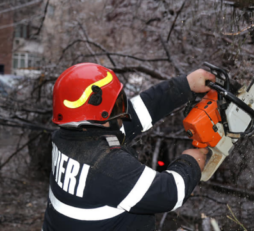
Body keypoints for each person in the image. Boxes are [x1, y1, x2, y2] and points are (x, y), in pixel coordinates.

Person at [42, 63, 215, 231]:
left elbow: (139, 112)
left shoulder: (68, 139)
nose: (123, 113)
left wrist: (185, 85)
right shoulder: (107, 166)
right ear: (100, 114)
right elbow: (169, 192)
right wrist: (192, 161)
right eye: (118, 106)